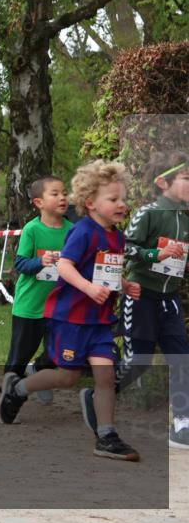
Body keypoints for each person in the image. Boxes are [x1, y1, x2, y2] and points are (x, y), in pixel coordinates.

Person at [0, 160, 142, 462]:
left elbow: (105, 271)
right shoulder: (83, 232)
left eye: (122, 199)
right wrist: (88, 289)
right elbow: (64, 265)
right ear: (90, 203)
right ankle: (18, 389)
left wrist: (124, 284)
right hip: (71, 319)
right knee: (66, 378)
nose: (121, 204)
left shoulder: (116, 235)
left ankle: (106, 436)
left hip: (99, 320)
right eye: (113, 199)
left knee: (105, 375)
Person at [79, 152, 189, 449]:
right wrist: (156, 254)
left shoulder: (186, 216)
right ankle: (102, 393)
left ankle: (182, 424)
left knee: (182, 358)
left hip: (170, 298)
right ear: (163, 182)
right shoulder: (149, 213)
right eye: (187, 178)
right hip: (142, 297)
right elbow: (125, 248)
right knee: (137, 362)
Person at [2, 176, 69, 401]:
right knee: (19, 357)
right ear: (39, 202)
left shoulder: (73, 230)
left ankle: (39, 373)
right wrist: (41, 261)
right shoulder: (32, 229)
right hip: (30, 306)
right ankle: (7, 395)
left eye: (64, 193)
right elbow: (20, 264)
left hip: (60, 307)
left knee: (57, 353)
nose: (62, 197)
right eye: (55, 193)